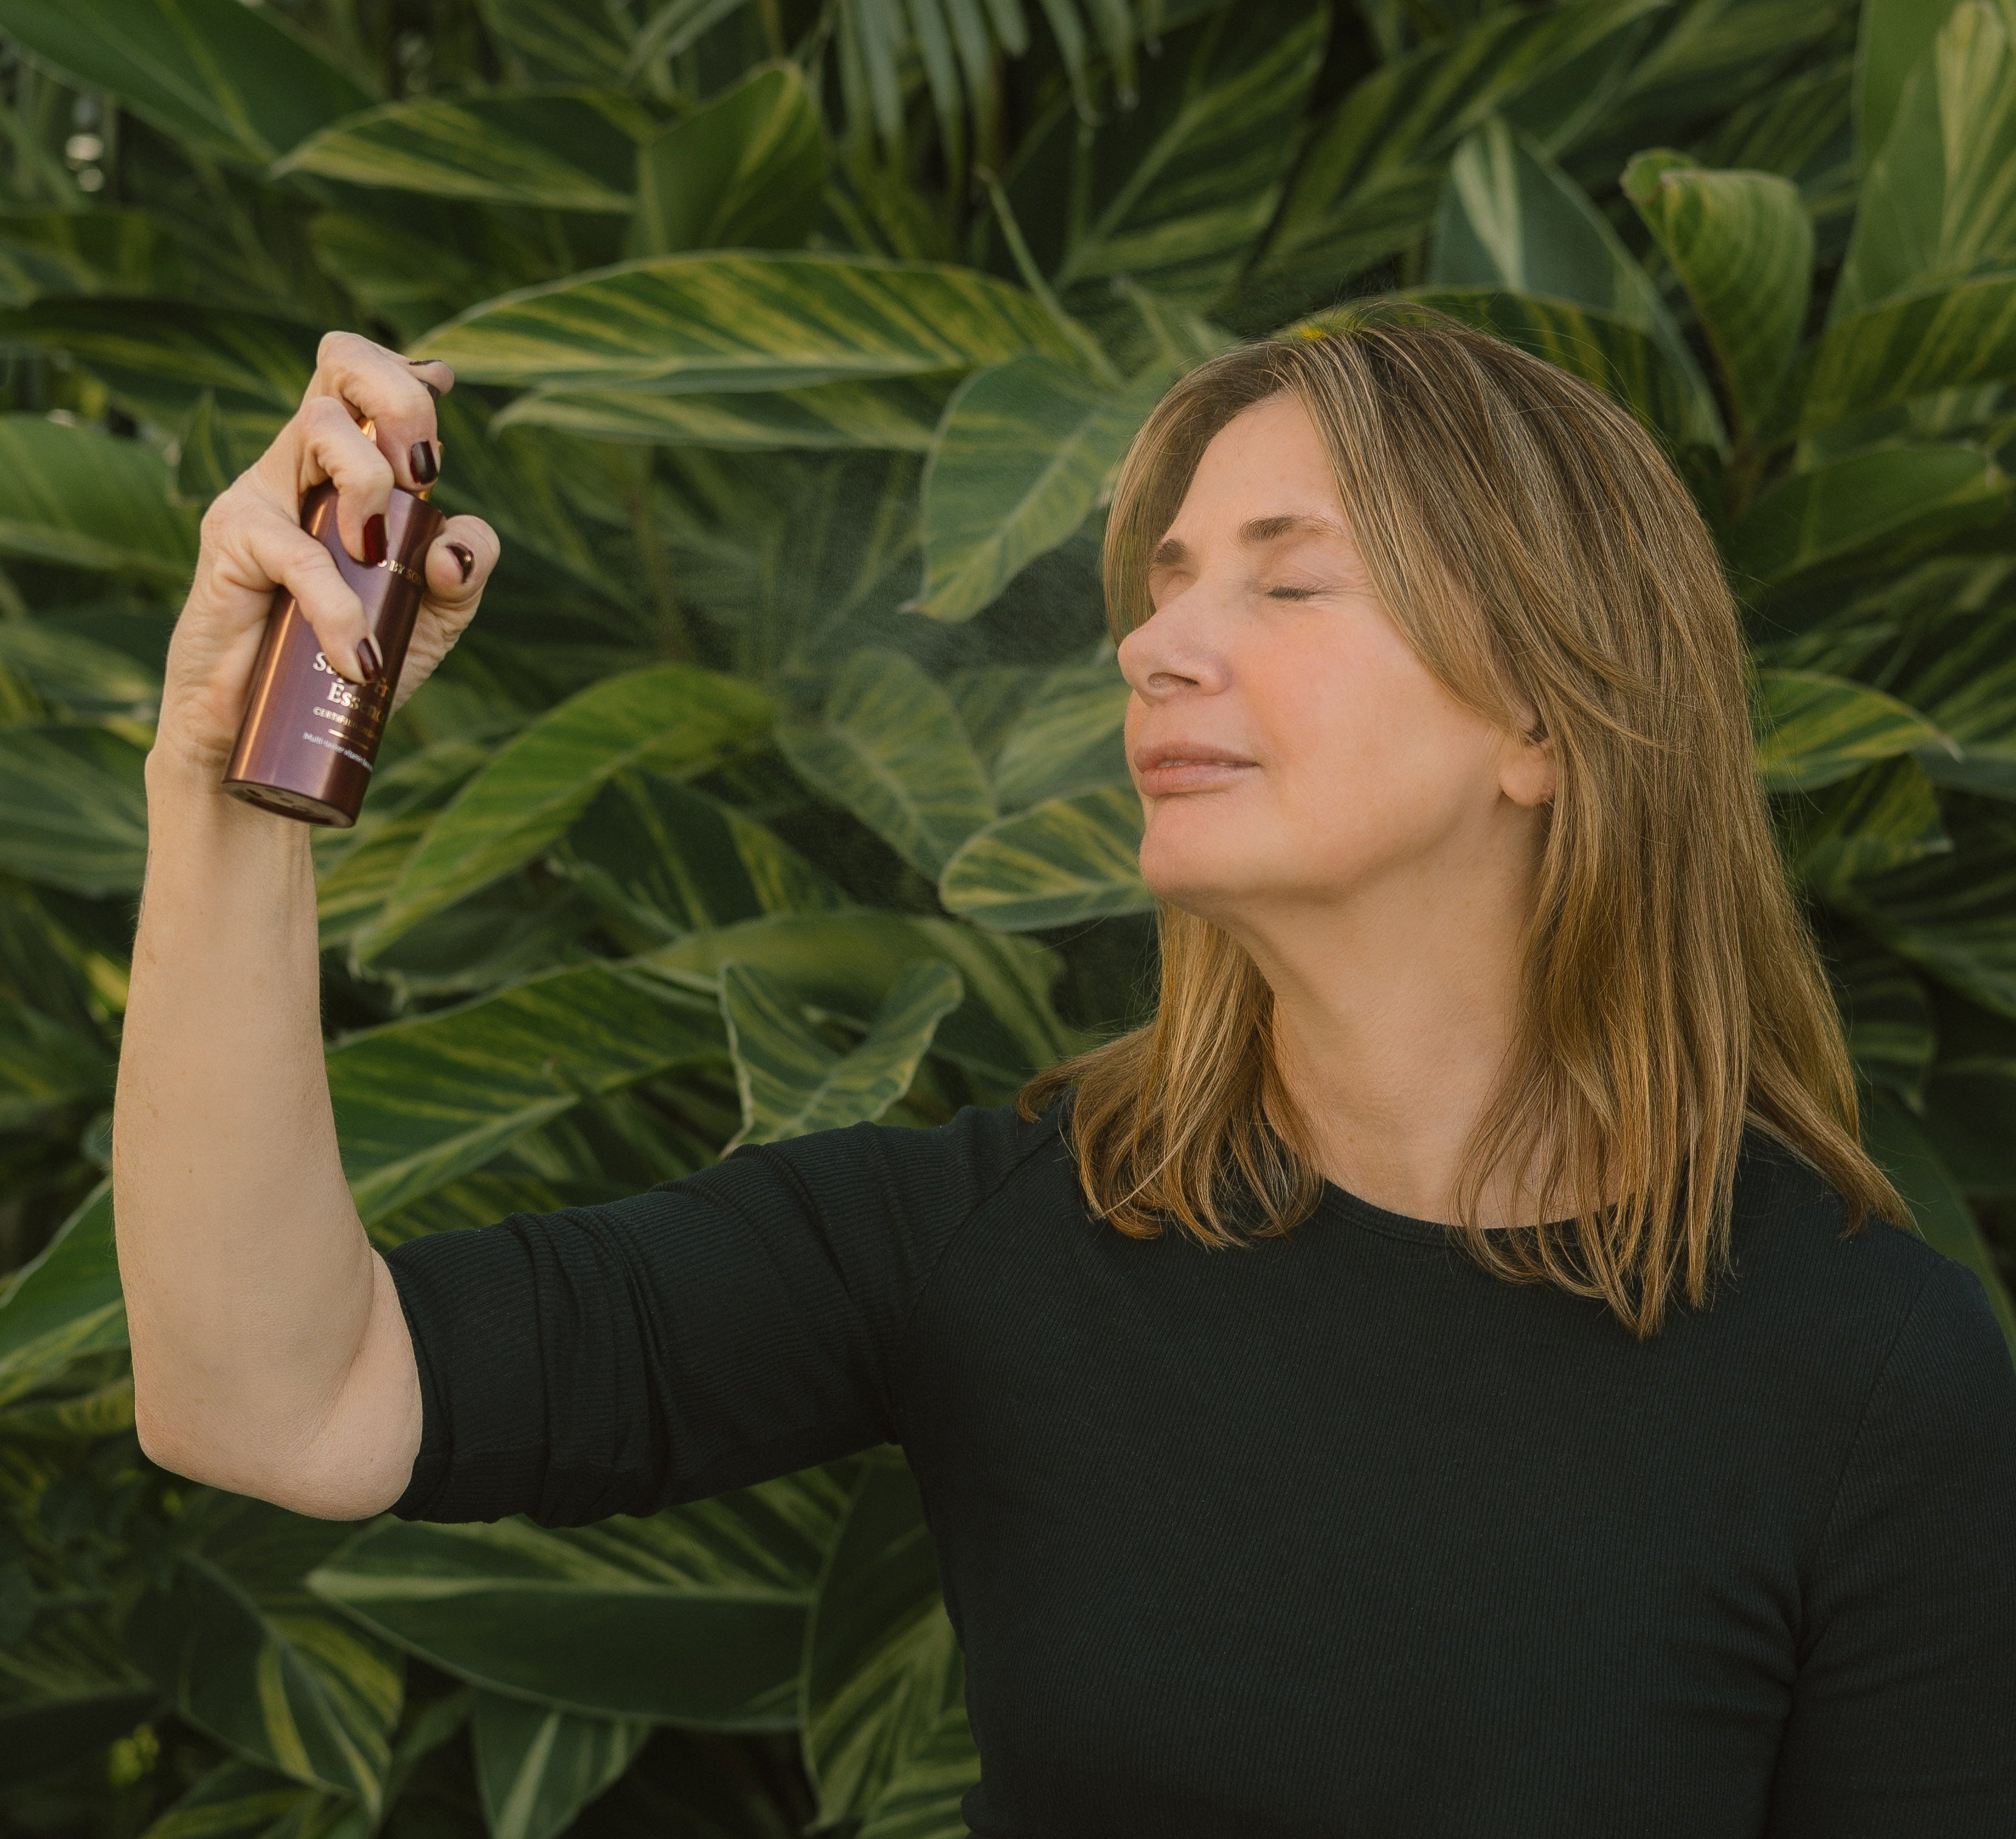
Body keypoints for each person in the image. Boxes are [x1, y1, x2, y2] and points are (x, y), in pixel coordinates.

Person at [114, 314, 2016, 1838]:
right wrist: (219, 793)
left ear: (1541, 713)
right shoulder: (1006, 1229)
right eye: (1169, 576)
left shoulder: (1863, 1374)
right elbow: (277, 1394)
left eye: (1285, 584)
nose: (1152, 639)